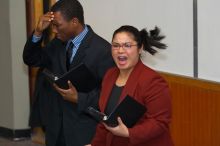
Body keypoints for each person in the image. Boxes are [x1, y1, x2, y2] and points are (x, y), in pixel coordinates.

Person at [23, 0, 114, 146]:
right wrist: (38, 32)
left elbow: (108, 95)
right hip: (56, 128)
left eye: (57, 25)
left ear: (74, 22)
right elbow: (32, 59)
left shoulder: (103, 51)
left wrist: (79, 98)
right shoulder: (58, 43)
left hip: (82, 130)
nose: (54, 30)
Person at [90, 25, 173, 146]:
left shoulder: (153, 81)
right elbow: (105, 121)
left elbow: (160, 122)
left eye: (127, 45)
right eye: (116, 45)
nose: (120, 50)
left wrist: (129, 132)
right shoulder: (109, 75)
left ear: (140, 49)